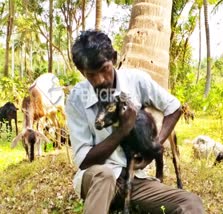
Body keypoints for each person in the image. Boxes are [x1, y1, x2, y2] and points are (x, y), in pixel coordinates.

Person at [66, 30, 204, 214]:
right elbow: (84, 161)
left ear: (114, 58)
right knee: (105, 175)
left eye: (104, 69)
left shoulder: (136, 80)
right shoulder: (77, 98)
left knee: (190, 203)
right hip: (96, 180)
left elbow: (174, 107)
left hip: (135, 179)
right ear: (82, 72)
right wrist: (123, 130)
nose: (99, 80)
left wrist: (153, 146)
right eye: (91, 75)